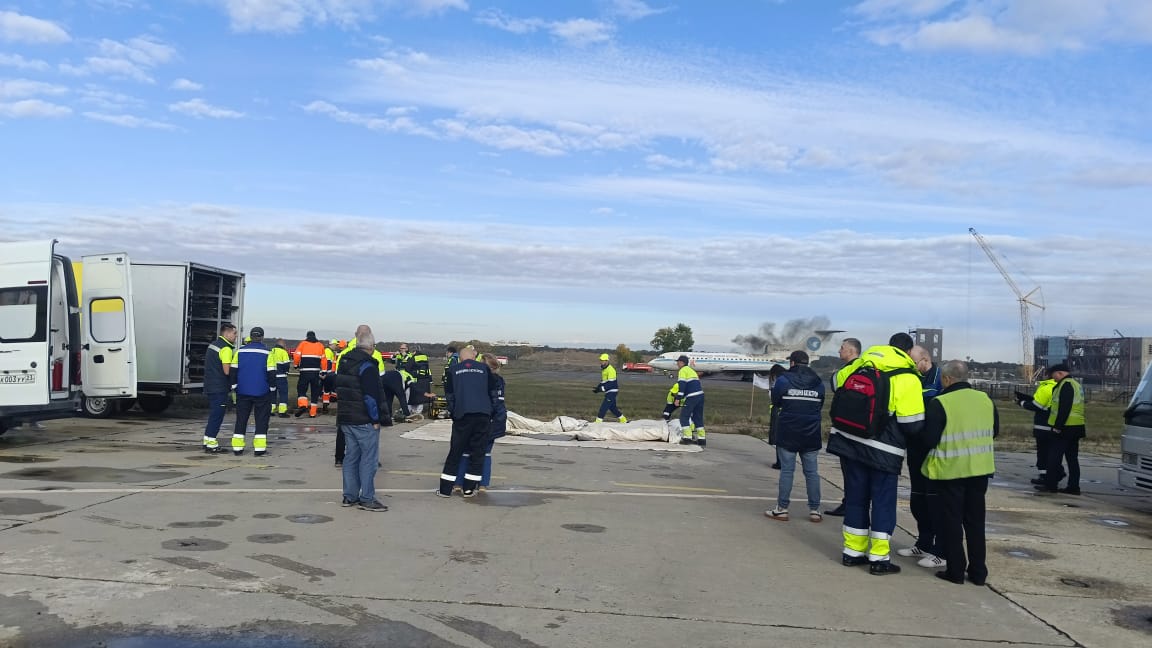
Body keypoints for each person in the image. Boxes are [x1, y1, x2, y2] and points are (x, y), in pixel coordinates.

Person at [826, 332, 924, 575]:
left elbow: (835, 383)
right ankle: (879, 559)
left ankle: (852, 553)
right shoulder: (909, 377)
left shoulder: (864, 361)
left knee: (856, 498)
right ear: (909, 352)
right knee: (882, 502)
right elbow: (912, 424)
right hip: (883, 450)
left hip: (848, 441)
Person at [921, 360, 998, 585]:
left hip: (951, 471)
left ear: (946, 379)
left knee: (952, 523)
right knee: (976, 523)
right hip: (980, 470)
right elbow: (995, 431)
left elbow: (929, 439)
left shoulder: (940, 402)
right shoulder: (985, 400)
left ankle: (955, 570)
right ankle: (978, 572)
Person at [764, 351, 825, 523]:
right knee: (812, 473)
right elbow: (820, 403)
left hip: (789, 431)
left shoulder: (783, 380)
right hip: (811, 433)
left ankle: (782, 509)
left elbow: (776, 402)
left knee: (787, 471)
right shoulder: (818, 382)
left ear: (792, 363)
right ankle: (815, 510)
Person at [897, 345, 944, 568]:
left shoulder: (938, 378)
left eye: (914, 363)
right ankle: (923, 541)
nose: (912, 367)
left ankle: (938, 547)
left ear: (925, 360)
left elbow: (929, 398)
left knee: (933, 499)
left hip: (932, 447)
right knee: (917, 499)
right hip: (915, 445)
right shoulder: (915, 377)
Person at [334, 327, 388, 512]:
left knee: (351, 457)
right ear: (371, 346)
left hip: (346, 416)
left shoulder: (344, 361)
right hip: (363, 418)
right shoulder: (368, 365)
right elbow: (371, 396)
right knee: (369, 459)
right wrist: (375, 418)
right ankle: (367, 498)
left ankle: (349, 496)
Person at [437, 346, 499, 497]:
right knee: (477, 454)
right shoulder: (484, 369)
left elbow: (449, 395)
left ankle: (445, 490)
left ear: (460, 358)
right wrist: (492, 411)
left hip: (463, 415)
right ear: (474, 356)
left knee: (455, 452)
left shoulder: (453, 370)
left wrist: (453, 412)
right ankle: (469, 489)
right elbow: (493, 392)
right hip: (483, 415)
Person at [457, 354, 507, 490]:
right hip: (496, 420)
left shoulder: (482, 380)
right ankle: (483, 483)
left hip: (482, 420)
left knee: (466, 450)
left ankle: (460, 481)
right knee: (485, 452)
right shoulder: (500, 381)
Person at [825, 337, 862, 516]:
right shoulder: (867, 366)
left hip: (848, 428)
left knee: (849, 470)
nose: (839, 351)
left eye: (842, 348)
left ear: (852, 351)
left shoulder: (848, 370)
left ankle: (849, 504)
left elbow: (835, 385)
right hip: (863, 428)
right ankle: (854, 503)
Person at [1036, 363, 1086, 495]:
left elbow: (1064, 408)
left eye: (1054, 376)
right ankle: (1073, 486)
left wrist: (1057, 427)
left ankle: (1051, 485)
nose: (1054, 379)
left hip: (1064, 428)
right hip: (1076, 427)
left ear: (1060, 373)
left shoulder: (1066, 385)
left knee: (1054, 457)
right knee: (1072, 459)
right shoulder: (1076, 385)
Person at [231, 327, 276, 457]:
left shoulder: (239, 351)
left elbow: (234, 370)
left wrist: (234, 385)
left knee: (241, 419)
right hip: (262, 391)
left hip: (243, 391)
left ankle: (237, 448)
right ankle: (259, 449)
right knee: (261, 420)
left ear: (250, 337)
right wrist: (272, 388)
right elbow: (271, 373)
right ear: (262, 337)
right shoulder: (268, 353)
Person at [202, 323, 237, 453]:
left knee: (213, 415)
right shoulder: (226, 349)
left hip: (210, 385)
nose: (236, 336)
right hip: (220, 387)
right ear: (226, 334)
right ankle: (212, 443)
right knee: (217, 415)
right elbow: (227, 371)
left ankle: (207, 440)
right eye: (234, 333)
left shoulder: (214, 345)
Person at [1019, 371, 1057, 485]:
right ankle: (1055, 473)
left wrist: (1021, 403)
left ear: (1047, 376)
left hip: (1043, 426)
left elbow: (1037, 406)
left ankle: (1044, 476)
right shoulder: (1058, 387)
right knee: (1053, 452)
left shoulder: (1045, 388)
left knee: (1043, 453)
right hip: (1054, 425)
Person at [293, 331, 327, 418]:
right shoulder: (320, 345)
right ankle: (313, 413)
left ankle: (303, 405)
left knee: (301, 389)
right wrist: (324, 371)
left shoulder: (303, 344)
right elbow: (324, 360)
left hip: (305, 371)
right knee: (315, 392)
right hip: (315, 372)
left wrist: (296, 365)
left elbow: (296, 355)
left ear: (307, 336)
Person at [674, 355, 706, 446]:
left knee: (684, 417)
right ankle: (702, 439)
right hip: (700, 395)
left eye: (678, 362)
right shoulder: (691, 370)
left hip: (692, 396)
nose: (677, 363)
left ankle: (687, 438)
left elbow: (682, 385)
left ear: (681, 362)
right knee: (697, 417)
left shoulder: (683, 371)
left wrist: (678, 399)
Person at [593, 353, 628, 423]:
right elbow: (604, 381)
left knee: (604, 407)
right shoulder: (604, 370)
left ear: (607, 361)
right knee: (613, 408)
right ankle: (623, 420)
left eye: (603, 360)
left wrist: (602, 389)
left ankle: (598, 422)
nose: (601, 362)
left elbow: (611, 384)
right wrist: (597, 388)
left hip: (612, 391)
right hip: (608, 391)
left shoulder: (611, 370)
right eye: (601, 360)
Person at [765, 363, 787, 470]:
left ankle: (780, 462)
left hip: (779, 412)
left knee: (779, 438)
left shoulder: (779, 381)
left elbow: (774, 397)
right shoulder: (789, 379)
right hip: (790, 413)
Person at [270, 338, 292, 418]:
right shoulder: (283, 352)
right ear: (282, 344)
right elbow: (286, 364)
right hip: (281, 377)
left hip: (271, 377)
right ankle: (282, 412)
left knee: (272, 394)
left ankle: (271, 410)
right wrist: (286, 372)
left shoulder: (271, 351)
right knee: (283, 394)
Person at [321, 339, 339, 414]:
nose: (336, 346)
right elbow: (327, 363)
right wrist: (325, 374)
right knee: (326, 390)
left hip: (329, 374)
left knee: (326, 391)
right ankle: (325, 405)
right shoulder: (328, 351)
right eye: (335, 345)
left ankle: (325, 404)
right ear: (331, 344)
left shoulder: (330, 351)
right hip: (328, 374)